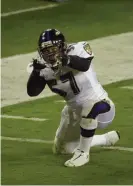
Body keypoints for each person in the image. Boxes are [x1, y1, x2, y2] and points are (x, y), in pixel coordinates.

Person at [27, 28, 120, 167]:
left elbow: (84, 65)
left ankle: (83, 153)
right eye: (46, 51)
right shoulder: (44, 67)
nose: (50, 54)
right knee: (63, 149)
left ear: (62, 46)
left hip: (101, 107)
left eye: (53, 49)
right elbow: (32, 92)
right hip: (74, 111)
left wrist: (66, 60)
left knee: (88, 107)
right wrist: (36, 73)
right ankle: (105, 139)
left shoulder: (77, 50)